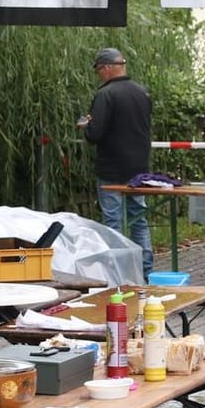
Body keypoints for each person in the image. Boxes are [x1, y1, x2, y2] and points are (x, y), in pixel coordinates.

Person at [80, 47, 154, 277]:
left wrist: (86, 125)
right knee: (139, 218)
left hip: (111, 167)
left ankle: (118, 269)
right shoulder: (142, 93)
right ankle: (145, 267)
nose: (99, 75)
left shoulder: (105, 95)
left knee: (113, 220)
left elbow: (96, 134)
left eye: (99, 70)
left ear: (108, 68)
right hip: (139, 169)